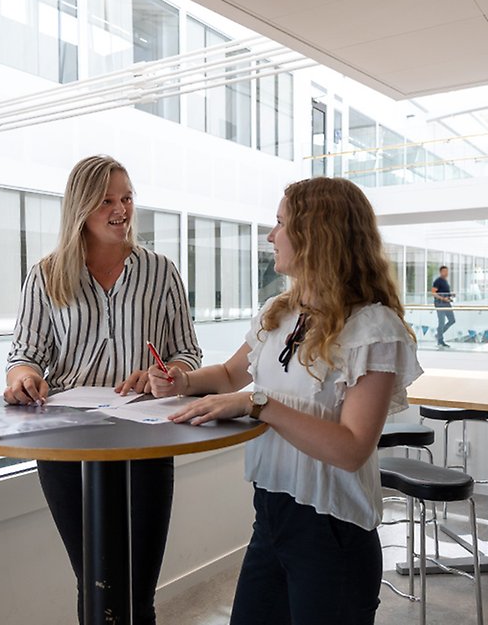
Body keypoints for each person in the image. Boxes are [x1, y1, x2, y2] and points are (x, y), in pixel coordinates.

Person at [147, 177, 422, 625]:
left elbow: (351, 448)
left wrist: (257, 404)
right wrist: (180, 381)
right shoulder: (279, 311)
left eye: (279, 224)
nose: (270, 237)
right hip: (272, 516)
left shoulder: (374, 329)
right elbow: (228, 375)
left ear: (317, 236)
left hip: (333, 530)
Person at [3, 155, 202, 625]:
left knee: (139, 589)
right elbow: (23, 356)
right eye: (107, 200)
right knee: (94, 582)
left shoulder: (161, 272)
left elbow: (188, 354)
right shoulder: (46, 275)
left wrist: (165, 374)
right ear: (81, 209)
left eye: (127, 198)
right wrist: (25, 379)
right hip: (69, 445)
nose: (122, 209)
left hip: (147, 438)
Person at [431, 265, 455, 348]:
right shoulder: (438, 281)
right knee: (441, 322)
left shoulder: (445, 281)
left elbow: (444, 292)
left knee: (452, 320)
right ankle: (440, 340)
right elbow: (433, 293)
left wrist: (450, 295)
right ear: (441, 272)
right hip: (440, 303)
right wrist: (443, 298)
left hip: (446, 303)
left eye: (447, 271)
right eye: (444, 271)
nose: (446, 273)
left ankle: (438, 335)